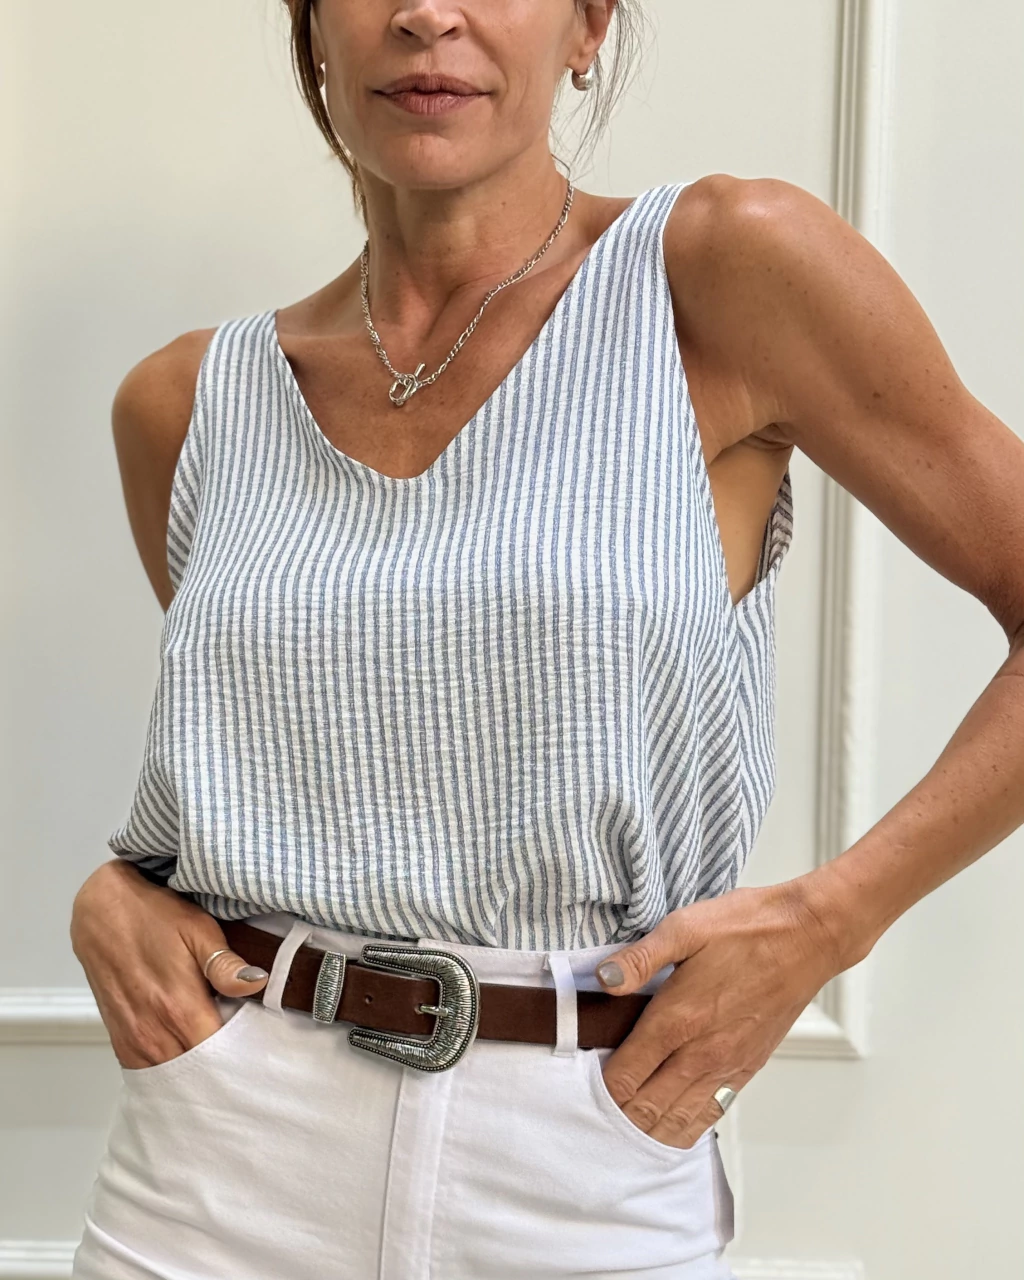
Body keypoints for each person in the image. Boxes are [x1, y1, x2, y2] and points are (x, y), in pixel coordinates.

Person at [69, 2, 1024, 1278]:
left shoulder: (721, 273)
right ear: (311, 27)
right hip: (216, 1154)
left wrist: (829, 919)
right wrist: (115, 887)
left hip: (588, 1137)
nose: (427, 12)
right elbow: (300, 757)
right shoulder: (188, 402)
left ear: (587, 27)